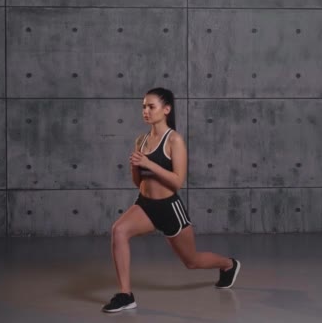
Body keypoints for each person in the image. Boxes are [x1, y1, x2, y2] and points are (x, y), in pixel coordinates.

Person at [102, 87, 241, 313]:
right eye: (143, 107)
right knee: (118, 231)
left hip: (169, 209)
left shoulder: (174, 140)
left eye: (151, 106)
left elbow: (177, 182)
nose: (146, 111)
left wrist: (149, 164)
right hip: (145, 205)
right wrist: (135, 167)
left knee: (191, 261)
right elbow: (139, 183)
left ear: (166, 109)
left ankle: (229, 264)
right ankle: (125, 295)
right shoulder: (141, 140)